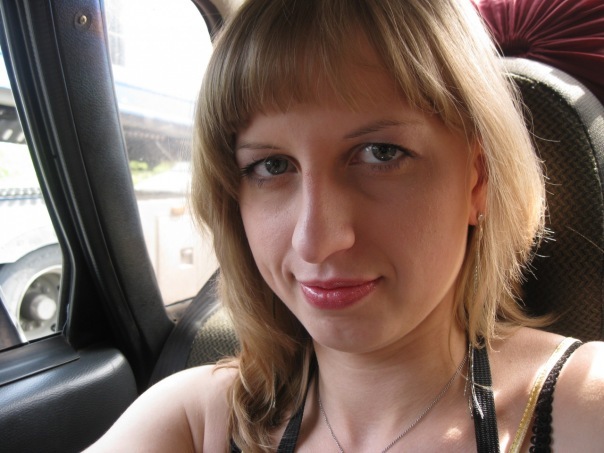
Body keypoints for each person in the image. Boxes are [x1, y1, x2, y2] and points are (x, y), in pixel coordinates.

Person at [87, 0, 604, 451]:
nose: (316, 240)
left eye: (381, 153)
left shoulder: (585, 407)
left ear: (477, 179)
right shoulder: (197, 422)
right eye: (272, 165)